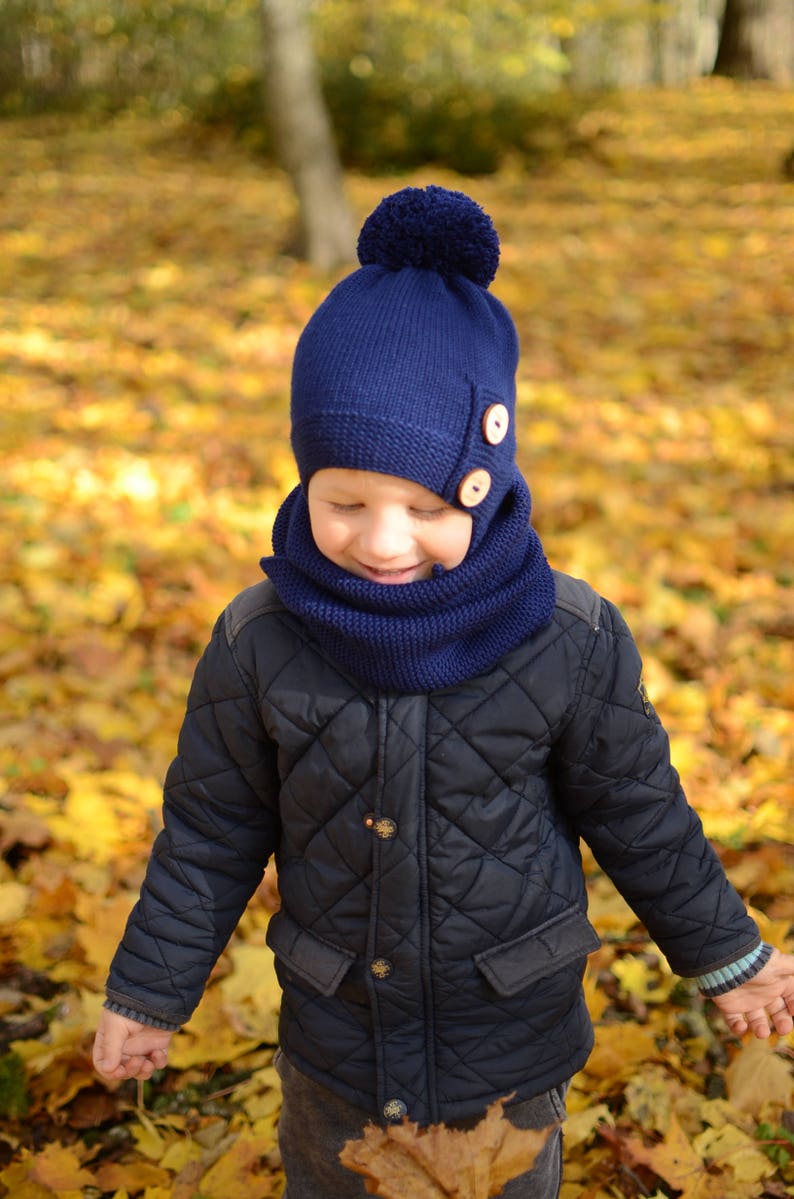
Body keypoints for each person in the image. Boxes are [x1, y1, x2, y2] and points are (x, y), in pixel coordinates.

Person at [92, 186, 794, 1198]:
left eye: (423, 507)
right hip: (335, 1038)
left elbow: (638, 813)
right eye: (343, 500)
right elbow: (209, 832)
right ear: (302, 480)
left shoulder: (565, 635)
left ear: (486, 479)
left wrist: (727, 955)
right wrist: (150, 995)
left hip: (503, 1047)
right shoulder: (260, 639)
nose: (381, 541)